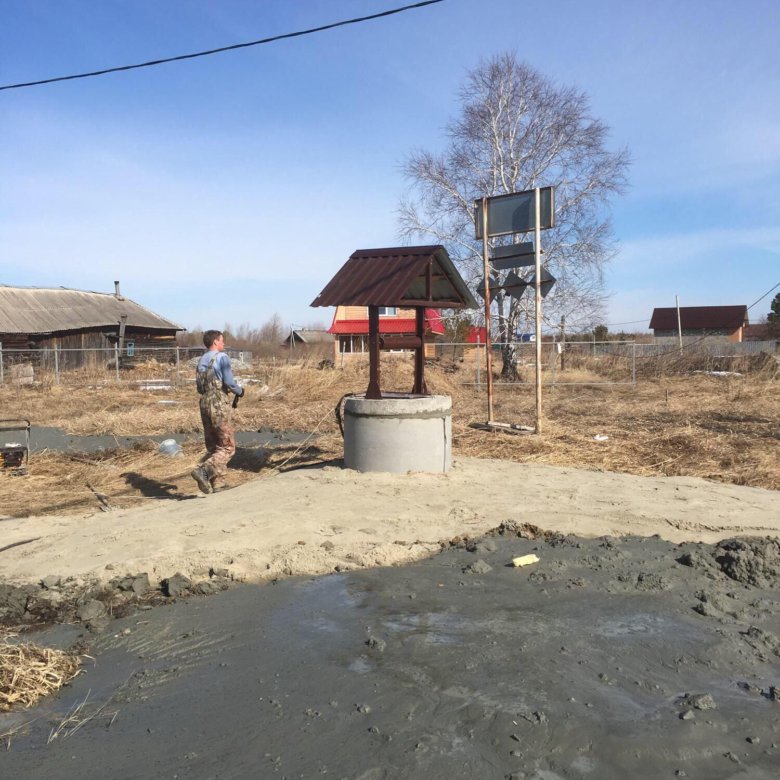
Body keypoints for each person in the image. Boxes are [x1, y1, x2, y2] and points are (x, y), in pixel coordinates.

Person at [191, 330, 244, 494]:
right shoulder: (222, 358)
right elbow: (228, 382)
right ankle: (204, 470)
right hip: (218, 402)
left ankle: (218, 483)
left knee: (215, 446)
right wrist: (239, 391)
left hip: (204, 402)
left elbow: (199, 387)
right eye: (222, 341)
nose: (224, 344)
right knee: (227, 447)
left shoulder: (201, 360)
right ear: (215, 342)